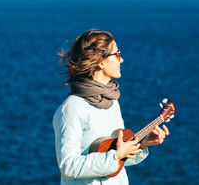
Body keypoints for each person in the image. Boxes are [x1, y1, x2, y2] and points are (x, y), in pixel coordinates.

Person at [53, 29, 169, 185]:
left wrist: (142, 144)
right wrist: (116, 156)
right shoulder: (72, 108)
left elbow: (115, 162)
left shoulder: (113, 102)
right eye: (117, 54)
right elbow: (68, 166)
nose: (121, 60)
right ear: (101, 62)